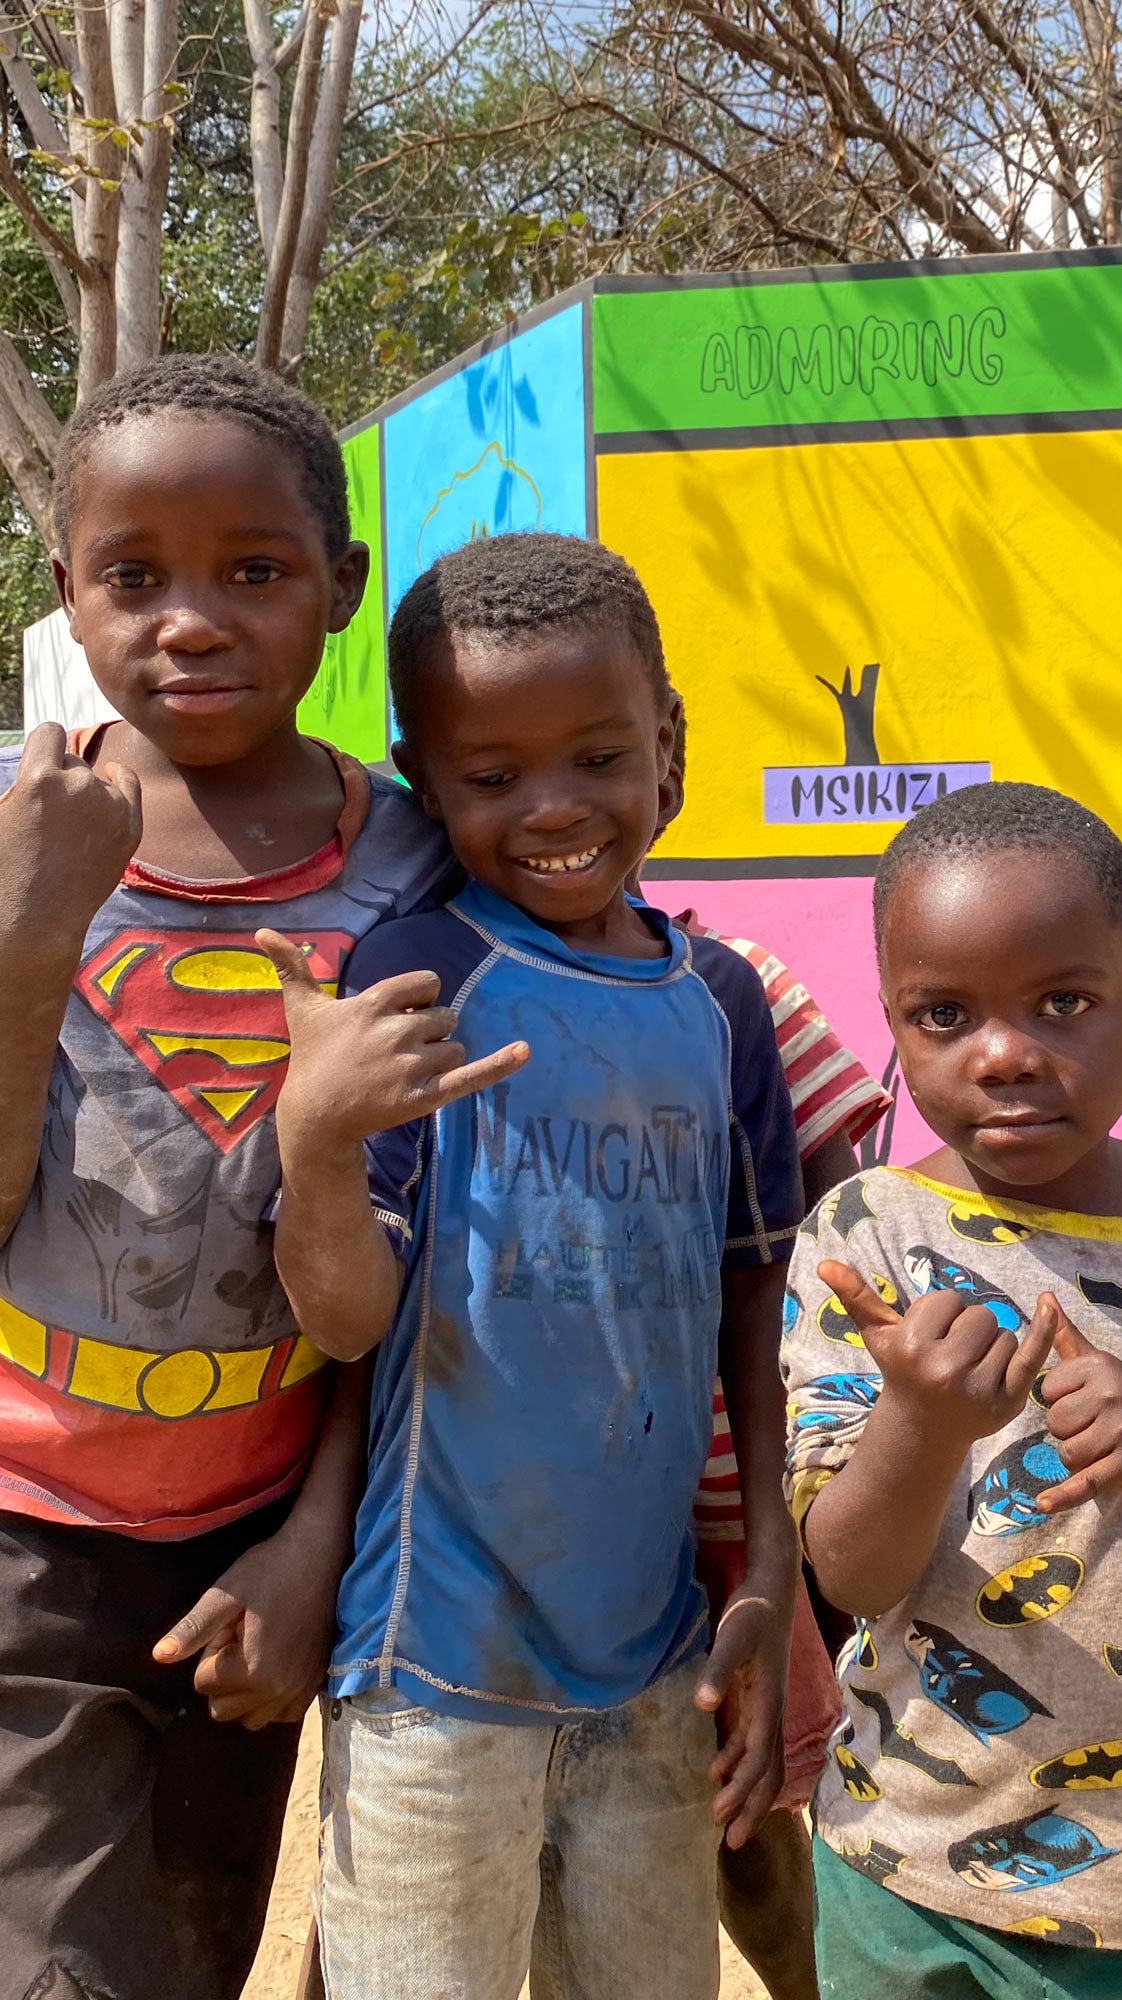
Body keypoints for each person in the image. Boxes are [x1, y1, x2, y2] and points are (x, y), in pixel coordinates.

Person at [264, 530, 804, 2000]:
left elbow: (755, 1297)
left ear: (669, 745)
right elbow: (348, 1315)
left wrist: (771, 1566)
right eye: (493, 779)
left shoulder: (723, 1002)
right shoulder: (417, 977)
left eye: (596, 758)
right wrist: (315, 1147)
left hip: (655, 1671)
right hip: (436, 1664)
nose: (554, 810)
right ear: (421, 777)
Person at [0, 353, 451, 2000]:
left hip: (259, 1535)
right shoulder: (13, 833)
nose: (190, 621)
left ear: (340, 587)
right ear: (67, 593)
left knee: (195, 1951)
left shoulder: (415, 869)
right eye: (136, 577)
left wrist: (312, 1538)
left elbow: (410, 1266)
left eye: (252, 572)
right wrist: (31, 936)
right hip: (25, 1530)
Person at [783, 780, 1122, 2000]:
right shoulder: (868, 1234)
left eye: (1062, 1002)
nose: (1007, 1052)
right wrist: (918, 1422)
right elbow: (850, 1576)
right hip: (907, 1871)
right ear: (896, 1030)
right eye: (945, 1013)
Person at [631, 721, 890, 2000]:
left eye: (598, 762)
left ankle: (804, 1983)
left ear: (666, 772)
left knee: (748, 1809)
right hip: (526, 1519)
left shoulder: (742, 987)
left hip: (735, 1504)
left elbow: (845, 1232)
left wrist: (788, 1523)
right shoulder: (441, 990)